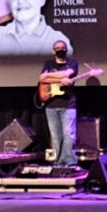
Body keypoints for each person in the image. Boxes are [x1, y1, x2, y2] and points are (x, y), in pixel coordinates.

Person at [39, 40, 79, 168]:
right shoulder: (48, 63)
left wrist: (49, 76)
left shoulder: (73, 63)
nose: (60, 49)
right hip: (51, 104)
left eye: (62, 48)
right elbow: (41, 79)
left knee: (69, 135)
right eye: (57, 48)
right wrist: (61, 79)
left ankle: (70, 162)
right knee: (56, 137)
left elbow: (67, 74)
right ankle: (59, 162)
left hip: (68, 104)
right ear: (53, 50)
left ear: (67, 50)